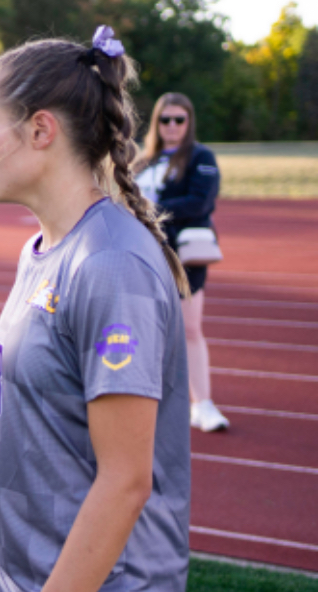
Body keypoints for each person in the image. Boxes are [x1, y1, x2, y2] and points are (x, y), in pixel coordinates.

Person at [0, 27, 191, 592]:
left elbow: (125, 479)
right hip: (47, 581)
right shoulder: (42, 248)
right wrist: (17, 563)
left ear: (39, 130)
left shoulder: (113, 266)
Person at [136, 93, 227, 433]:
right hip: (143, 254)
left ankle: (202, 404)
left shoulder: (200, 156)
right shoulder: (142, 160)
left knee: (189, 329)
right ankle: (147, 401)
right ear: (156, 123)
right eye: (165, 119)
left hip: (183, 255)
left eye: (179, 120)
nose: (172, 126)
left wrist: (149, 206)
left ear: (189, 123)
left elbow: (200, 202)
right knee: (145, 330)